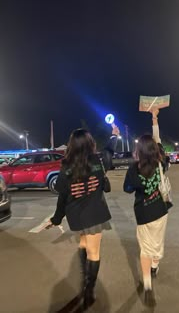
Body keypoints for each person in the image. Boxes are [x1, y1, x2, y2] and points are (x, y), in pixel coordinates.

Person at [46, 126, 119, 310]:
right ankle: (89, 291)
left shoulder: (66, 166)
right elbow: (109, 150)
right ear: (90, 143)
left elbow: (62, 196)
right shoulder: (99, 160)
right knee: (94, 252)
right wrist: (114, 136)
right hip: (95, 214)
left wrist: (56, 219)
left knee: (84, 243)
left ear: (72, 145)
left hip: (76, 217)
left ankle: (84, 275)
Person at [123, 109, 172, 307]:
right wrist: (154, 118)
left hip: (143, 212)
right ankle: (155, 265)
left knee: (145, 247)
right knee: (157, 242)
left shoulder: (134, 169)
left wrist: (137, 184)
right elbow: (157, 138)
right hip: (161, 210)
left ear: (139, 151)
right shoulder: (161, 162)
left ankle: (148, 284)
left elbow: (127, 189)